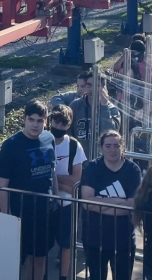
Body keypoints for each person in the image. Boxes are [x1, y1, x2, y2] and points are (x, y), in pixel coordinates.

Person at [0, 100, 58, 280]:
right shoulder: (11, 146)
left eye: (40, 120)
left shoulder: (49, 139)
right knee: (16, 259)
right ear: (24, 119)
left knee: (40, 257)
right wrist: (6, 216)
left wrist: (57, 197)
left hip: (46, 211)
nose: (35, 124)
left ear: (45, 121)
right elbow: (1, 185)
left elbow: (52, 170)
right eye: (31, 119)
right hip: (21, 213)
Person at [80, 130, 142, 280]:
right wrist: (120, 203)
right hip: (95, 236)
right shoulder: (92, 168)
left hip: (124, 238)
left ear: (123, 147)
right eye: (108, 146)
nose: (112, 150)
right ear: (101, 148)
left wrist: (100, 203)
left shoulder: (133, 170)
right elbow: (87, 202)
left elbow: (133, 205)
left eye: (116, 145)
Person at [50, 105, 86, 280]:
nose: (58, 127)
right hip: (47, 201)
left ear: (69, 124)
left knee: (66, 243)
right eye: (56, 122)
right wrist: (64, 180)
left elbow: (76, 181)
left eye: (63, 123)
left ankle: (63, 276)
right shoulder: (41, 141)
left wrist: (53, 178)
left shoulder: (73, 146)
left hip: (67, 203)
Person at [71, 74, 122, 148]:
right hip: (79, 156)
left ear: (104, 88)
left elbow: (109, 133)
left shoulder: (112, 110)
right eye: (89, 85)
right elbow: (68, 133)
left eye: (96, 85)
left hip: (101, 157)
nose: (92, 89)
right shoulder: (75, 106)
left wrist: (104, 106)